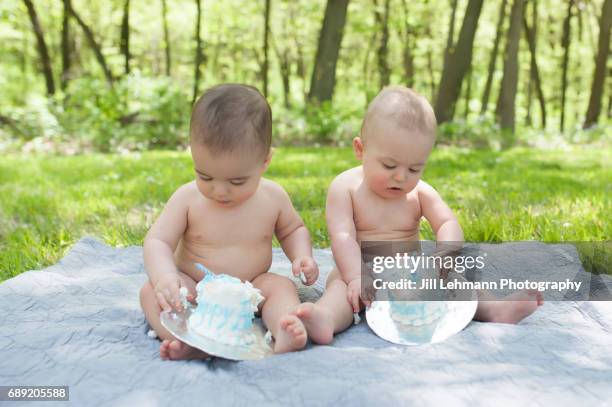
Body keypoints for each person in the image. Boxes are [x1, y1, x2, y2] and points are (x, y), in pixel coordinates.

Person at [295, 86, 543, 345]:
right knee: (340, 292)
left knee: (458, 284)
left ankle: (496, 309)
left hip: (413, 273)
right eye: (389, 165)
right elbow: (342, 236)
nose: (401, 176)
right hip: (359, 268)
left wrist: (445, 253)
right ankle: (325, 318)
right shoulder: (345, 187)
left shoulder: (420, 192)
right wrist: (356, 276)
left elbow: (447, 221)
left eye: (415, 168)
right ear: (360, 149)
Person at [139, 84, 319, 359]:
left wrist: (302, 255)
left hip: (253, 289)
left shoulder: (272, 196)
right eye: (205, 176)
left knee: (282, 287)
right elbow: (158, 240)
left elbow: (293, 229)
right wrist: (165, 276)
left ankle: (284, 326)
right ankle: (186, 338)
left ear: (265, 161)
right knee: (150, 293)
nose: (220, 191)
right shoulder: (187, 198)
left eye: (237, 181)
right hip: (195, 289)